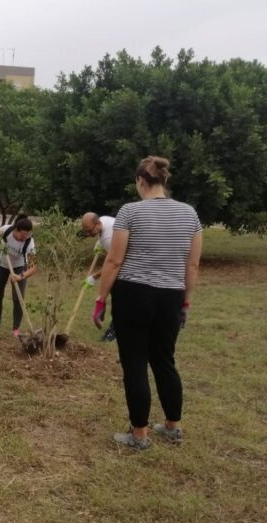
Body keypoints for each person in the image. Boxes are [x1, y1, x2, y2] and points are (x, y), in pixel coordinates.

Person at [93, 156, 202, 450]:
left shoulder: (130, 212)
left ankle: (139, 434)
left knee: (135, 363)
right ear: (163, 181)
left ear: (141, 181)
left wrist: (101, 297)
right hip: (171, 296)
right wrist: (186, 302)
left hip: (133, 294)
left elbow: (114, 260)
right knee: (165, 361)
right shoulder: (190, 214)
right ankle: (173, 426)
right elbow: (192, 266)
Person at [0, 214, 37, 337]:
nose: (24, 238)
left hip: (19, 267)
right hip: (0, 264)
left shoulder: (30, 242)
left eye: (27, 235)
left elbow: (33, 267)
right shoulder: (6, 230)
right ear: (16, 230)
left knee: (18, 298)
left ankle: (16, 328)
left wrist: (20, 276)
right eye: (22, 235)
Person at [80, 212, 117, 341]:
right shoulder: (103, 221)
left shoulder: (108, 238)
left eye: (89, 231)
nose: (88, 234)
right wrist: (99, 242)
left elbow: (114, 262)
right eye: (85, 231)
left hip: (132, 263)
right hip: (121, 256)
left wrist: (94, 277)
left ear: (97, 224)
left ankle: (114, 330)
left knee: (119, 297)